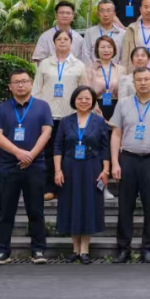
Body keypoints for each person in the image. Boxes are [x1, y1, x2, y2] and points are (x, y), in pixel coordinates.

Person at [0, 69, 53, 265]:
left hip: (35, 166)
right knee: (6, 212)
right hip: (9, 166)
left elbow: (47, 132)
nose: (21, 85)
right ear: (10, 86)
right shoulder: (1, 108)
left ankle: (38, 250)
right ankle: (2, 251)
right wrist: (18, 153)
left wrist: (31, 155)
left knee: (36, 211)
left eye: (24, 81)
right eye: (16, 82)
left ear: (31, 84)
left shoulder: (42, 106)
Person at [109, 67, 150, 264]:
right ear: (133, 82)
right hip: (128, 158)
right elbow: (116, 134)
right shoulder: (123, 103)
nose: (143, 83)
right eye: (139, 80)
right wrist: (115, 163)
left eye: (146, 79)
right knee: (125, 206)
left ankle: (149, 248)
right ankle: (123, 248)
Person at [53, 86, 110, 264]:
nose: (84, 101)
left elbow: (105, 148)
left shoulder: (99, 121)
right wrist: (57, 170)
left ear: (93, 101)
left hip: (92, 167)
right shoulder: (65, 121)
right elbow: (58, 147)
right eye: (80, 98)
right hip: (69, 167)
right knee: (71, 204)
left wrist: (105, 170)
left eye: (87, 98)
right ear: (74, 100)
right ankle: (74, 249)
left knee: (88, 205)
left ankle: (84, 249)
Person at [34, 29, 86, 201]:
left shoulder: (79, 65)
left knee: (69, 153)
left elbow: (84, 92)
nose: (62, 42)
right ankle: (50, 187)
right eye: (59, 39)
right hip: (48, 117)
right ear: (54, 43)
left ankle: (67, 188)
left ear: (71, 43)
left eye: (66, 39)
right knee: (48, 153)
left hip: (70, 116)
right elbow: (36, 90)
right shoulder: (45, 64)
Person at [83, 36, 123, 119]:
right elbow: (86, 93)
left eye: (109, 47)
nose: (106, 50)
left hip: (117, 109)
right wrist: (95, 110)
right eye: (102, 47)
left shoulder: (121, 70)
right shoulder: (89, 70)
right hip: (95, 108)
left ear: (114, 49)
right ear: (97, 50)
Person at [81, 0, 125, 64]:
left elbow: (124, 56)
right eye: (102, 11)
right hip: (94, 69)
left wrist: (117, 69)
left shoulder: (122, 33)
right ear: (98, 14)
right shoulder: (90, 32)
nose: (105, 14)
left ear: (114, 14)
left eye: (108, 11)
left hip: (116, 69)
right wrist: (92, 69)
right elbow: (85, 54)